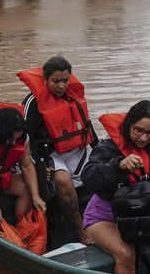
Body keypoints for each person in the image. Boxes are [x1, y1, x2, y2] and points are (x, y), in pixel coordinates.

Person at [80, 101, 150, 274]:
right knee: (126, 253)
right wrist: (118, 166)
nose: (144, 138)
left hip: (143, 216)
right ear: (129, 125)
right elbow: (89, 176)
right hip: (105, 218)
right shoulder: (110, 146)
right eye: (138, 130)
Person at [17, 55, 97, 244]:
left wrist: (99, 151)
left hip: (77, 148)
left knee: (105, 171)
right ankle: (79, 227)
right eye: (56, 81)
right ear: (45, 80)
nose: (62, 86)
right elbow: (27, 140)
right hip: (50, 153)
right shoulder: (33, 103)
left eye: (65, 80)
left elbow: (87, 125)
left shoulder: (74, 96)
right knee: (63, 182)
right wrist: (39, 165)